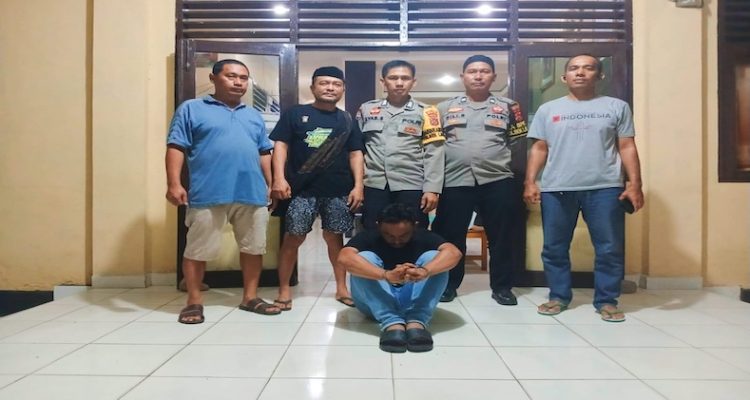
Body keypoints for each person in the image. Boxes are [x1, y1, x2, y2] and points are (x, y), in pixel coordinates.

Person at [524, 53, 644, 322]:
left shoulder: (616, 107)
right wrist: (530, 181)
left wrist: (635, 184)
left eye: (588, 68)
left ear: (600, 75)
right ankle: (558, 296)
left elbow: (627, 146)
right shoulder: (547, 110)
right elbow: (539, 148)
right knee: (554, 247)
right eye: (574, 68)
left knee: (609, 247)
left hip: (605, 187)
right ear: (563, 76)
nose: (580, 72)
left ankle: (607, 300)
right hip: (557, 188)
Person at [166, 59, 280, 324]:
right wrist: (174, 183)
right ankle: (194, 301)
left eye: (243, 78)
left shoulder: (253, 115)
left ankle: (250, 297)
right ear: (214, 78)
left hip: (251, 192)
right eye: (231, 76)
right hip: (208, 190)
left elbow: (264, 151)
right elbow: (176, 146)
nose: (238, 82)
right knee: (198, 249)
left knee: (253, 248)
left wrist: (272, 183)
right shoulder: (192, 109)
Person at [432, 55, 528, 305]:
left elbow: (517, 142)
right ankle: (448, 285)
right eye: (472, 71)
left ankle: (502, 287)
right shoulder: (443, 108)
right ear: (462, 76)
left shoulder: (510, 107)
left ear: (493, 77)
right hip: (454, 180)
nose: (478, 76)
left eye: (484, 71)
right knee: (450, 235)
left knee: (502, 236)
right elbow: (435, 145)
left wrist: (493, 157)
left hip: (497, 179)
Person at [270, 66, 365, 310]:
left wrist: (358, 186)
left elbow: (356, 154)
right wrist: (278, 179)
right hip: (300, 190)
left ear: (343, 89)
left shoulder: (347, 120)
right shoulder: (295, 114)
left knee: (335, 239)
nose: (330, 88)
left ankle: (341, 288)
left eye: (336, 84)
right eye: (324, 83)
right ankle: (283, 290)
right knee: (293, 238)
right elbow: (280, 146)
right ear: (313, 87)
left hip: (338, 190)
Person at [338, 203, 461, 353]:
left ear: (414, 226)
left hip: (413, 300)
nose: (396, 241)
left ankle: (416, 321)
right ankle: (391, 322)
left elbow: (454, 253)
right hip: (373, 304)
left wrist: (425, 271)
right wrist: (385, 275)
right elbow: (344, 258)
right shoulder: (368, 236)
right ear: (379, 226)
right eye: (389, 235)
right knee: (364, 257)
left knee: (435, 257)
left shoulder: (424, 236)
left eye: (403, 235)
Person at [357, 60, 445, 229]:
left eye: (405, 78)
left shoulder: (427, 112)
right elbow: (358, 150)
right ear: (383, 82)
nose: (399, 83)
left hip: (411, 184)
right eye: (393, 78)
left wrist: (432, 189)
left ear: (414, 82)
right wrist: (358, 185)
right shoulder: (366, 110)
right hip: (375, 184)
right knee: (372, 232)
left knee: (414, 233)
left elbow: (434, 152)